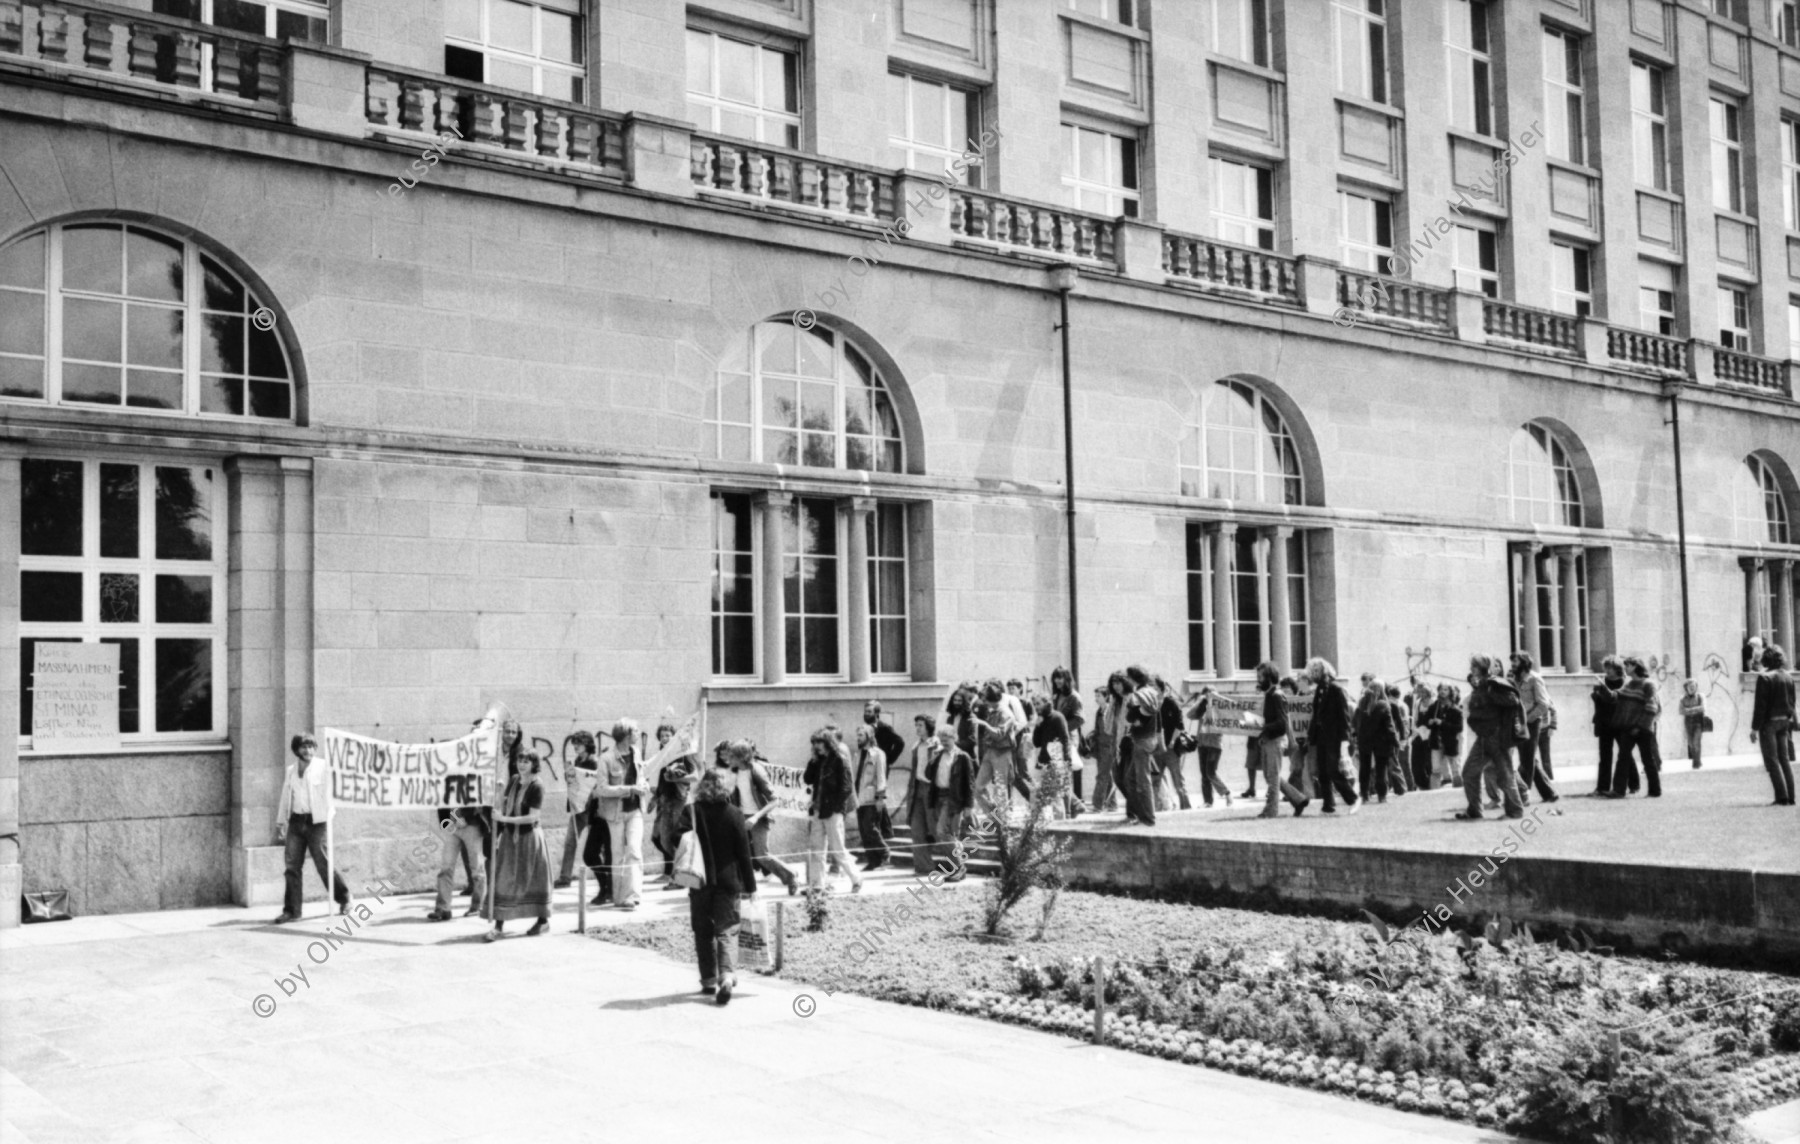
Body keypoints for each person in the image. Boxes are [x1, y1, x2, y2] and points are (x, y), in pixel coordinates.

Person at [676, 768, 757, 1004]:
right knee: (728, 929)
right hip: (729, 882)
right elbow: (744, 854)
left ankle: (709, 979)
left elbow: (674, 838)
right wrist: (751, 888)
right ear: (727, 787)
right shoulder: (735, 814)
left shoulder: (691, 811)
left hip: (698, 880)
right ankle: (727, 977)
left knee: (702, 931)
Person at [273, 733, 351, 924]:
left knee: (323, 863)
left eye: (311, 747)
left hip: (318, 822)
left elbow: (337, 787)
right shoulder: (291, 770)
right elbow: (286, 795)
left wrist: (330, 812)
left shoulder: (324, 767)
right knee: (292, 867)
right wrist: (280, 821)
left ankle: (345, 898)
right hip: (296, 821)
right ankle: (292, 911)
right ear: (296, 749)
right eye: (303, 747)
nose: (308, 751)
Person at [484, 750, 552, 941]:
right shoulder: (514, 780)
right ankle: (498, 926)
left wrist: (504, 819)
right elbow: (501, 808)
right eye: (520, 760)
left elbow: (533, 816)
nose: (522, 764)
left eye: (526, 761)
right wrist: (498, 793)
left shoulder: (537, 786)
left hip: (530, 838)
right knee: (504, 879)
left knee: (534, 880)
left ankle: (542, 921)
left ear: (534, 764)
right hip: (509, 838)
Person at [722, 739, 797, 894]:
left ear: (741, 757)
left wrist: (755, 817)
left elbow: (774, 801)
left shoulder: (756, 770)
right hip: (741, 816)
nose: (729, 760)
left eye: (732, 757)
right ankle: (744, 888)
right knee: (737, 853)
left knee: (761, 856)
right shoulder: (733, 771)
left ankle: (790, 876)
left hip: (758, 817)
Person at [1456, 654, 1524, 821]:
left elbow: (1513, 700)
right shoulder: (1482, 685)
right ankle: (1474, 811)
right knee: (1469, 772)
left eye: (1474, 666)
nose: (1471, 669)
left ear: (1482, 667)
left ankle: (1515, 812)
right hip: (1483, 738)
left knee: (1505, 775)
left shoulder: (1495, 683)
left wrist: (1491, 691)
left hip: (1498, 737)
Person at [596, 718, 649, 910]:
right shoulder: (606, 758)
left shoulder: (636, 753)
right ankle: (618, 896)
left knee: (634, 851)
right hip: (615, 814)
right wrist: (630, 789)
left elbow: (641, 777)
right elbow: (601, 789)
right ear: (626, 735)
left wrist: (644, 786)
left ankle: (632, 896)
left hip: (635, 810)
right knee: (617, 855)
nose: (638, 733)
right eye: (635, 731)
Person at [803, 729, 864, 893]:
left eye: (819, 742)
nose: (817, 746)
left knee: (837, 848)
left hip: (833, 810)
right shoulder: (818, 761)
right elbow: (807, 779)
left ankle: (856, 878)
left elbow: (846, 788)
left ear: (828, 742)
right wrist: (813, 760)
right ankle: (817, 884)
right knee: (817, 849)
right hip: (818, 809)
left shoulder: (839, 759)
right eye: (814, 743)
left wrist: (836, 808)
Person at [1251, 662, 1308, 818]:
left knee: (1273, 777)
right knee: (1270, 776)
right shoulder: (1269, 695)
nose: (1258, 680)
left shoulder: (1276, 695)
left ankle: (1271, 810)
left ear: (1269, 677)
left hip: (1276, 740)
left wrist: (1263, 726)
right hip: (1270, 739)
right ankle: (1298, 799)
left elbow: (1282, 723)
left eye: (1261, 677)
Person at [1302, 659, 1359, 814]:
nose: (1312, 674)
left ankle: (1352, 798)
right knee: (1323, 772)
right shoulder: (1320, 689)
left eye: (1314, 671)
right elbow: (1316, 715)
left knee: (1332, 770)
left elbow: (1344, 716)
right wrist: (1310, 736)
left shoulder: (1336, 690)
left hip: (1334, 737)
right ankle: (1328, 805)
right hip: (1321, 737)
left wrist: (1345, 739)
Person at [649, 720, 701, 887]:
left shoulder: (683, 753)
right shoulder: (663, 753)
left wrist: (677, 778)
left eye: (668, 735)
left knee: (669, 839)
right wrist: (655, 797)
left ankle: (679, 875)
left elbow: (695, 776)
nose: (665, 738)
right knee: (658, 838)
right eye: (662, 735)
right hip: (664, 800)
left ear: (674, 737)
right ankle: (673, 872)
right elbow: (662, 780)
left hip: (678, 800)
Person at [925, 722, 973, 881]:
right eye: (941, 739)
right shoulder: (938, 755)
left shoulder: (962, 757)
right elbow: (927, 774)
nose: (944, 742)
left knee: (941, 832)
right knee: (948, 835)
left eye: (947, 739)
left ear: (954, 738)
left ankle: (958, 867)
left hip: (953, 799)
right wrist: (931, 755)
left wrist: (968, 806)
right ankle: (957, 868)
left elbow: (969, 784)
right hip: (937, 797)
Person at [1510, 653, 1560, 805]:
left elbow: (1544, 704)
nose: (1512, 665)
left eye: (1515, 662)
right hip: (1520, 722)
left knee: (1527, 759)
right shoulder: (1514, 680)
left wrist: (1527, 719)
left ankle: (1524, 795)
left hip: (1532, 722)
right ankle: (1550, 793)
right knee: (1529, 757)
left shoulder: (1535, 679)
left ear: (1524, 663)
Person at [1608, 657, 1661, 798]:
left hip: (1643, 730)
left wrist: (1640, 726)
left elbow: (1652, 708)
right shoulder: (1629, 683)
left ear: (1636, 666)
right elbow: (1619, 695)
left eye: (1628, 665)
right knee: (1623, 758)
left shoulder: (1648, 684)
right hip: (1628, 728)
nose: (1625, 668)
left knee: (1647, 760)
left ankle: (1655, 791)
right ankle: (1618, 791)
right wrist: (1606, 692)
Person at [1751, 644, 1797, 806]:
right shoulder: (1788, 677)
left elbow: (1760, 707)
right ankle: (1791, 797)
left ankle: (1781, 796)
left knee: (1772, 760)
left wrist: (1754, 728)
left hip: (1769, 723)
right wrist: (1792, 719)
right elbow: (1792, 702)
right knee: (1784, 760)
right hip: (1785, 721)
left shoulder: (1765, 678)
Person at [554, 730, 600, 891]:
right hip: (577, 807)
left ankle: (603, 875)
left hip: (591, 808)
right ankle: (565, 877)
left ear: (587, 744)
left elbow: (595, 783)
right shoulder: (578, 760)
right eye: (574, 744)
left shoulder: (594, 762)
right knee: (570, 842)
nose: (575, 747)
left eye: (578, 744)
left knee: (596, 844)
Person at [1120, 666, 1164, 826]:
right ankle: (1140, 815)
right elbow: (1150, 716)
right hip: (1149, 738)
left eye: (1128, 677)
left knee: (1142, 781)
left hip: (1142, 740)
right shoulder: (1151, 692)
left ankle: (1149, 818)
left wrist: (1134, 718)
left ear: (1132, 679)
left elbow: (1132, 717)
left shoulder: (1137, 695)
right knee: (1130, 779)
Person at [1591, 657, 1634, 796]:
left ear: (1617, 669)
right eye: (1606, 667)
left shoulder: (1624, 684)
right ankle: (1602, 787)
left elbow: (1616, 701)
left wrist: (1603, 693)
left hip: (1619, 723)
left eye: (1610, 668)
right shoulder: (1603, 682)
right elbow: (1600, 703)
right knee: (1604, 756)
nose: (1607, 671)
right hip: (1604, 723)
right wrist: (1596, 695)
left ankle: (1634, 784)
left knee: (1625, 754)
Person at [1355, 678, 1402, 805]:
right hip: (1381, 741)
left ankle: (1364, 794)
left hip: (1364, 740)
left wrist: (1356, 736)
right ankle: (1382, 795)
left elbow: (1355, 722)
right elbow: (1389, 726)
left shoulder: (1361, 702)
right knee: (1381, 769)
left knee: (1364, 769)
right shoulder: (1383, 704)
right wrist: (1396, 741)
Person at [1185, 687, 1234, 808]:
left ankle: (1227, 792)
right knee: (1204, 774)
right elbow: (1189, 715)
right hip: (1202, 744)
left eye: (1211, 695)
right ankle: (1208, 801)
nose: (1209, 697)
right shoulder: (1202, 709)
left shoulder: (1220, 708)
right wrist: (1200, 701)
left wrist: (1214, 699)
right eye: (1207, 695)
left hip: (1214, 744)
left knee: (1210, 772)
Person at [902, 715, 939, 875]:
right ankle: (924, 867)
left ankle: (956, 863)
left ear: (928, 727)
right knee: (917, 829)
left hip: (931, 789)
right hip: (917, 788)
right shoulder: (916, 745)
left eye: (920, 725)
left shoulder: (936, 744)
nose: (917, 728)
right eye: (916, 725)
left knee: (936, 828)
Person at [851, 723, 890, 870]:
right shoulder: (857, 754)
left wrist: (880, 797)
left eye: (861, 735)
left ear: (869, 736)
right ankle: (873, 860)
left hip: (871, 797)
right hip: (858, 797)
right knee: (863, 830)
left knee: (870, 827)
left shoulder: (878, 754)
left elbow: (881, 777)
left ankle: (884, 852)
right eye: (858, 735)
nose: (858, 738)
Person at [1030, 693, 1073, 817]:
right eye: (1034, 704)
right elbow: (1036, 743)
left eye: (1038, 704)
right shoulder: (1041, 719)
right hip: (1043, 761)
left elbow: (1065, 739)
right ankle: (1036, 824)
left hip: (1056, 762)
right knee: (1036, 792)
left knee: (1055, 797)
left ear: (1046, 703)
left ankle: (1060, 825)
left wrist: (1066, 760)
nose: (1036, 707)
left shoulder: (1057, 717)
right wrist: (1037, 726)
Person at [1152, 675, 1192, 811]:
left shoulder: (1170, 703)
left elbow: (1179, 725)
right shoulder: (1150, 705)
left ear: (1161, 689)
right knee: (1155, 779)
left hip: (1170, 748)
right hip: (1155, 748)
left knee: (1177, 779)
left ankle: (1185, 805)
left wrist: (1172, 742)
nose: (1153, 690)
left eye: (1155, 687)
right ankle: (1156, 808)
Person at [1049, 666, 1086, 805]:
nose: (1057, 681)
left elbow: (1080, 719)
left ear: (1067, 679)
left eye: (1060, 677)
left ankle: (1072, 806)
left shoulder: (1074, 697)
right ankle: (1073, 805)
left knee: (1063, 774)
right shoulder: (1056, 696)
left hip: (1068, 738)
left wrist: (1062, 729)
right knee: (1059, 774)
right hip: (1056, 739)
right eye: (1055, 678)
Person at [1090, 681, 1122, 811]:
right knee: (1107, 776)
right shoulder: (1099, 712)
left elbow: (1114, 730)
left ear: (1106, 697)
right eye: (1096, 696)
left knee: (1102, 776)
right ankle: (1112, 804)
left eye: (1099, 696)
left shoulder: (1111, 711)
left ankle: (1097, 804)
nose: (1096, 699)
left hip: (1109, 747)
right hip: (1101, 747)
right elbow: (1098, 730)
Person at [1406, 681, 1436, 791]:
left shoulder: (1434, 702)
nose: (1422, 694)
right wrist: (1416, 731)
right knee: (1416, 762)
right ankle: (1421, 783)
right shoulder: (1418, 703)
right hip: (1419, 733)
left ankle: (1430, 784)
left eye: (1424, 692)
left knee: (1429, 761)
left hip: (1430, 734)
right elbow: (1415, 719)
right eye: (1420, 692)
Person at [1679, 678, 1706, 770]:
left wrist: (1689, 710)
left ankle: (1696, 763)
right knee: (1690, 743)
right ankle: (1697, 760)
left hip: (1698, 722)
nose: (1692, 688)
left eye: (1694, 686)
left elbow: (1702, 708)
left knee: (1696, 742)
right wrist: (1695, 710)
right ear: (1686, 688)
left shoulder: (1700, 696)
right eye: (1690, 687)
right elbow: (1681, 711)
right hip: (1688, 723)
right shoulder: (1682, 698)